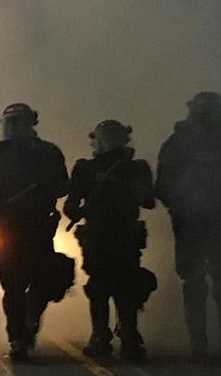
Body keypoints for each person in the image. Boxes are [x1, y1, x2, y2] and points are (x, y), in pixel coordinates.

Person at [0, 103, 70, 361]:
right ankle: (17, 339)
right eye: (9, 121)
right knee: (12, 285)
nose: (13, 127)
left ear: (31, 123)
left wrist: (42, 190)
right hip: (5, 228)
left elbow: (62, 186)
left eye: (19, 121)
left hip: (38, 226)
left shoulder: (47, 153)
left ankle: (31, 317)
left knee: (44, 281)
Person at [156, 91, 221, 364]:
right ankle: (200, 343)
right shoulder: (178, 145)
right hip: (192, 222)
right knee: (196, 282)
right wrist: (186, 201)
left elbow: (220, 182)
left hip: (220, 218)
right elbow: (163, 187)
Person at [66, 119, 158, 361]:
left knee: (128, 286)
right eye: (107, 137)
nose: (112, 142)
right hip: (98, 235)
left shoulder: (137, 168)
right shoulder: (85, 168)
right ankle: (99, 334)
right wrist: (78, 209)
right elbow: (71, 203)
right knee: (98, 287)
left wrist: (128, 183)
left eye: (116, 136)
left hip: (126, 233)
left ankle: (128, 333)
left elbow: (148, 200)